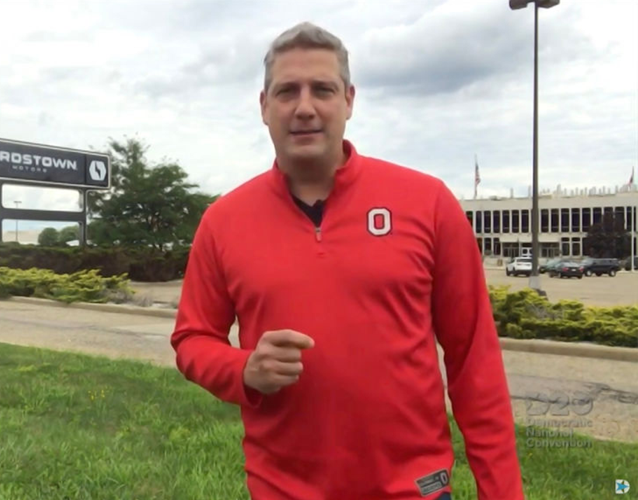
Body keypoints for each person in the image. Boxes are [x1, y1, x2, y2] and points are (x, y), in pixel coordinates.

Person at [170, 21, 525, 500]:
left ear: (349, 100)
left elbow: (473, 361)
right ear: (263, 106)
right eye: (286, 92)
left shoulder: (428, 203)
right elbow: (193, 339)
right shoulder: (223, 221)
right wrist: (243, 371)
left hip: (414, 489)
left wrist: (502, 492)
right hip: (282, 489)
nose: (304, 107)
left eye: (323, 90)